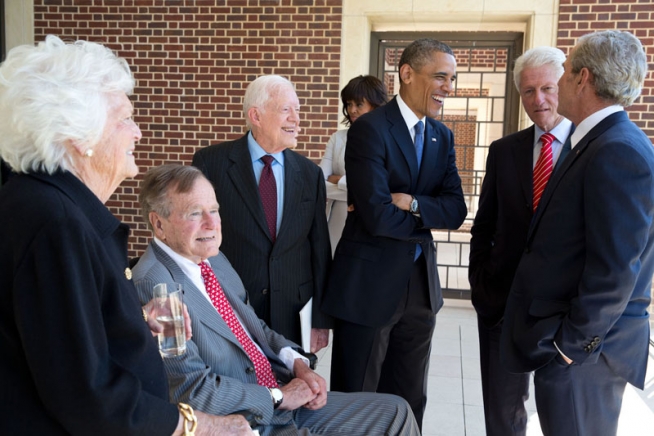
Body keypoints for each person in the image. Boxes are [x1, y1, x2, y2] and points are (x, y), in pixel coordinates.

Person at [0, 35, 251, 435]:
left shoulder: (45, 206)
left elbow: (56, 336)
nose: (136, 131)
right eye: (124, 118)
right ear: (79, 136)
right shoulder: (55, 223)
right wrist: (198, 426)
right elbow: (88, 396)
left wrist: (131, 322)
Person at [133, 164, 420, 436]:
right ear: (159, 224)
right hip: (245, 420)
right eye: (195, 213)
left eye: (214, 210)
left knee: (397, 411)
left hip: (280, 395)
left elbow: (253, 327)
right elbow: (192, 390)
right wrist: (279, 396)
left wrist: (297, 363)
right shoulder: (157, 287)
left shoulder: (213, 259)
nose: (211, 223)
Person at [501, 30, 654, 436]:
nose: (561, 80)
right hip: (577, 352)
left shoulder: (617, 149)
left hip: (587, 358)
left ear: (583, 78)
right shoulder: (597, 142)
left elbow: (617, 270)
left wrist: (570, 349)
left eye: (564, 72)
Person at [321, 38, 467, 430]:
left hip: (420, 289)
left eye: (452, 79)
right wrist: (423, 218)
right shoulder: (369, 129)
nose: (448, 88)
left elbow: (457, 209)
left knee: (409, 396)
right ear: (406, 73)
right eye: (440, 77)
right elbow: (377, 216)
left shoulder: (442, 136)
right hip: (369, 287)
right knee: (358, 398)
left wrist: (414, 204)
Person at [468, 46, 573, 436]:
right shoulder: (503, 151)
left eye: (548, 87)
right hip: (502, 305)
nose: (538, 99)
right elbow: (484, 225)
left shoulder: (590, 148)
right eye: (528, 91)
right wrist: (480, 285)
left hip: (563, 316)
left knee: (560, 418)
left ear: (566, 86)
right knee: (502, 416)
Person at [192, 75, 331, 351]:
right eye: (286, 110)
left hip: (293, 313)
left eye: (298, 110)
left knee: (293, 387)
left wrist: (320, 320)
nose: (296, 119)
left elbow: (319, 249)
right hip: (230, 307)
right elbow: (196, 240)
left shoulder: (310, 174)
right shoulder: (210, 163)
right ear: (255, 115)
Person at [319, 75, 388, 254]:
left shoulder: (388, 141)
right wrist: (360, 193)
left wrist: (339, 180)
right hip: (336, 223)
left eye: (358, 104)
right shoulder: (337, 138)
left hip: (372, 225)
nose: (352, 110)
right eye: (349, 104)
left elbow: (383, 191)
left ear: (374, 104)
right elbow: (319, 183)